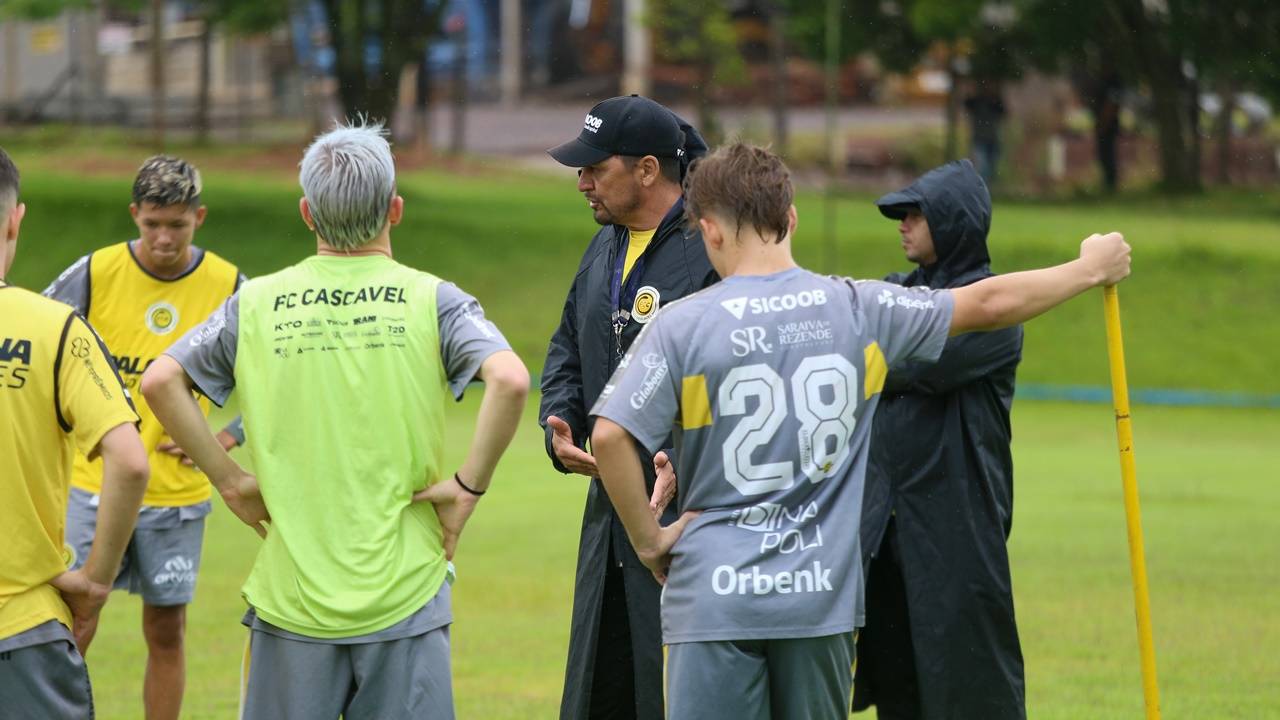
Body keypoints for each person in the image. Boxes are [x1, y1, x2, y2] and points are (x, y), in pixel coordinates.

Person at [591, 143, 1131, 720]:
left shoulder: (682, 324)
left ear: (709, 231)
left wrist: (649, 540)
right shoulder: (856, 308)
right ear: (790, 217)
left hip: (714, 596)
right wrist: (1089, 269)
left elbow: (608, 437)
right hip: (819, 597)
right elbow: (990, 301)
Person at [141, 121, 529, 720]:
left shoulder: (257, 301)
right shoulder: (434, 298)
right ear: (394, 210)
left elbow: (161, 380)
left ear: (307, 213)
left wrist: (229, 479)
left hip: (292, 599)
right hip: (405, 594)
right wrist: (467, 486)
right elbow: (510, 379)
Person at [42, 155, 245, 720]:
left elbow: (284, 370)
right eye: (152, 223)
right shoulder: (94, 272)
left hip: (175, 496)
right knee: (69, 623)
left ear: (199, 218)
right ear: (134, 214)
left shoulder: (229, 284)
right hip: (91, 488)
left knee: (167, 629)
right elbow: (35, 343)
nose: (162, 238)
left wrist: (227, 437)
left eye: (176, 225)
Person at [539, 94, 716, 720]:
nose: (581, 182)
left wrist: (681, 456)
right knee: (600, 686)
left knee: (674, 691)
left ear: (647, 169)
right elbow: (568, 345)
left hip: (686, 516)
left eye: (595, 168)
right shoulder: (604, 246)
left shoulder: (708, 251)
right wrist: (559, 421)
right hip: (609, 514)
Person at [851, 159, 1027, 720]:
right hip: (883, 537)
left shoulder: (996, 312)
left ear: (952, 222)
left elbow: (909, 362)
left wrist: (870, 354)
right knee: (898, 694)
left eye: (914, 213)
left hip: (959, 535)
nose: (901, 224)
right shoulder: (897, 293)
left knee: (971, 695)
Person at [0, 146, 151, 718]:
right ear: (16, 219)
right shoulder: (56, 327)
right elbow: (131, 461)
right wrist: (95, 582)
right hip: (24, 628)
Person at [964, 81, 1007, 185]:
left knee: (992, 167)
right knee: (983, 167)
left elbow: (1004, 112)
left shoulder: (995, 103)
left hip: (993, 139)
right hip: (979, 139)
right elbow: (966, 103)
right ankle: (982, 187)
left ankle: (986, 187)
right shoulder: (976, 102)